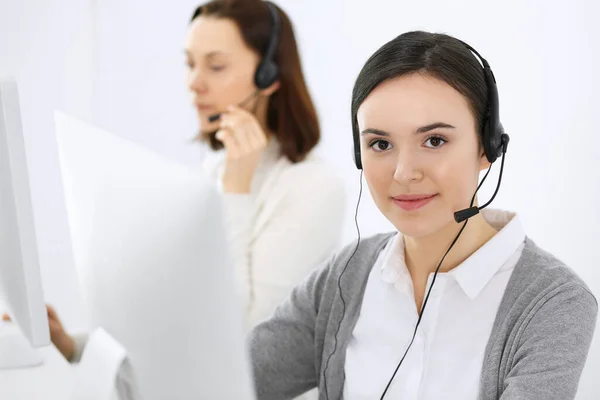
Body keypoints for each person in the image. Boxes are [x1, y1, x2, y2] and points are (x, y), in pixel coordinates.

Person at [248, 31, 598, 400]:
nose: (403, 173)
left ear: (487, 147)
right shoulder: (345, 275)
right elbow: (227, 377)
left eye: (434, 141)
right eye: (380, 144)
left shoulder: (553, 303)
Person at [9, 0, 345, 370]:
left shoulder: (313, 187)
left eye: (215, 66)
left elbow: (241, 335)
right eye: (189, 64)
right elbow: (181, 331)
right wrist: (74, 345)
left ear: (269, 76)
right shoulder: (214, 169)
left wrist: (236, 189)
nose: (194, 83)